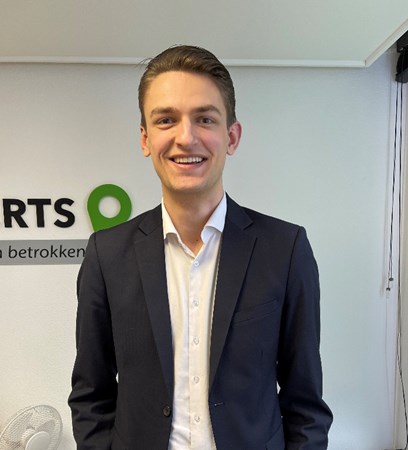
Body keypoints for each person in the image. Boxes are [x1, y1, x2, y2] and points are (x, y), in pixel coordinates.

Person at [68, 45, 333, 450]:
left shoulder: (285, 249)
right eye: (166, 120)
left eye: (205, 119)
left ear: (232, 136)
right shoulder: (107, 254)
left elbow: (306, 405)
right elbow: (91, 395)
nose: (186, 137)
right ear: (145, 138)